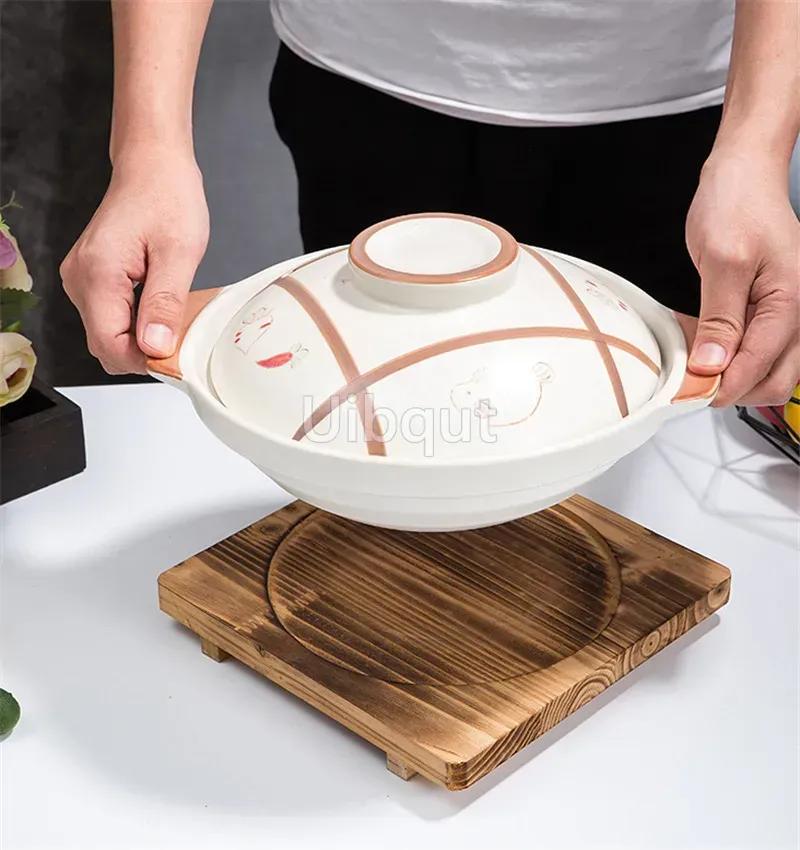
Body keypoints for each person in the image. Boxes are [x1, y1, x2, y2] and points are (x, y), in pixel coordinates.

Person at [61, 0, 799, 406]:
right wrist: (148, 149)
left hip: (672, 106)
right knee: (373, 405)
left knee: (634, 412)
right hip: (360, 75)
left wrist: (759, 146)